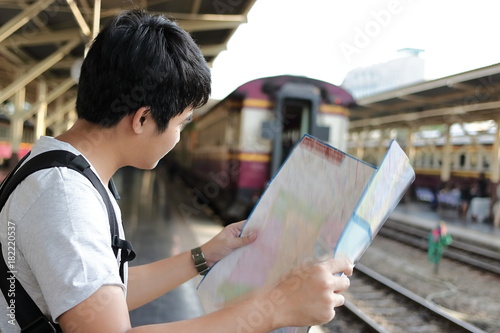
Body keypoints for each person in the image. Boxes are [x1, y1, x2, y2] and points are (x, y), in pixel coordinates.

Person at [0, 10, 352, 333]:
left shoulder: (59, 166)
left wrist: (203, 256)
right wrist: (275, 309)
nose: (179, 137)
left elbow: (96, 293)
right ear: (142, 118)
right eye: (181, 123)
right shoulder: (66, 198)